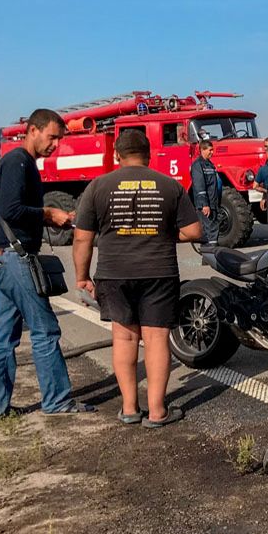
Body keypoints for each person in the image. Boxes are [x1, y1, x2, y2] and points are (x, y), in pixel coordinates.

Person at [72, 129, 201, 428]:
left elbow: (82, 239)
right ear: (150, 154)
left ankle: (129, 409)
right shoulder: (170, 186)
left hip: (114, 273)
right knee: (156, 338)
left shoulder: (97, 187)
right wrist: (164, 234)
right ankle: (157, 412)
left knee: (124, 337)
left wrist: (82, 277)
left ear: (116, 155)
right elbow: (194, 231)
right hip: (159, 270)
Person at [0, 108, 94, 420]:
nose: (55, 144)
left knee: (3, 335)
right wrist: (48, 214)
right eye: (52, 137)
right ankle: (57, 401)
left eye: (59, 139)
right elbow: (11, 209)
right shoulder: (18, 162)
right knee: (45, 330)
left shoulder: (21, 162)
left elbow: (13, 212)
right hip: (14, 259)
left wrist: (51, 220)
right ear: (33, 130)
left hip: (3, 258)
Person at [190, 139, 221, 247]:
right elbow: (199, 186)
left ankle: (210, 256)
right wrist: (204, 204)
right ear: (202, 150)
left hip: (212, 203)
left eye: (212, 150)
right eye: (210, 150)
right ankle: (211, 255)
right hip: (206, 205)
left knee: (212, 230)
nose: (212, 152)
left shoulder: (210, 165)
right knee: (209, 231)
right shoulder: (198, 165)